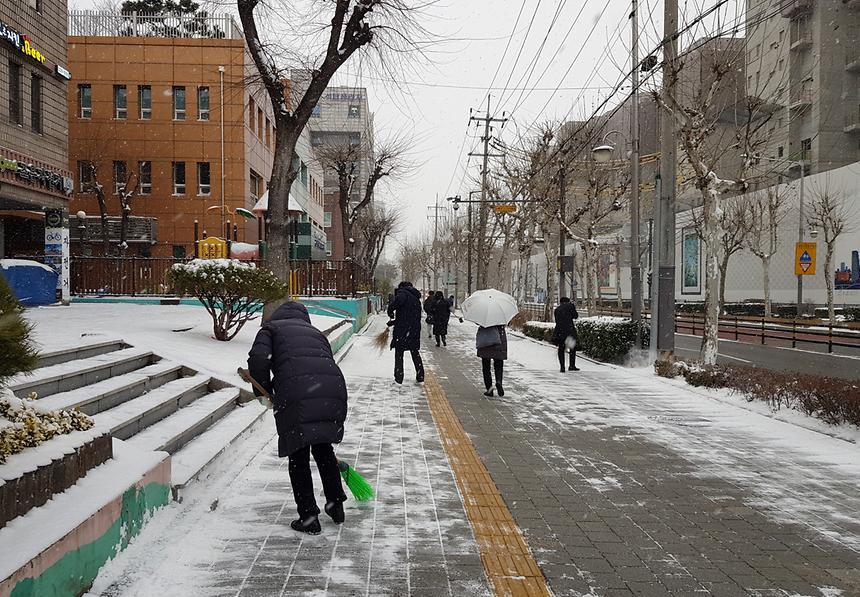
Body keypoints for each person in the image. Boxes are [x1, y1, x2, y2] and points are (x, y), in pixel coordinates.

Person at [247, 301, 348, 535]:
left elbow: (258, 360)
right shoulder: (315, 332)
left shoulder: (270, 329)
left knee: (298, 454)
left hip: (297, 391)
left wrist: (262, 391)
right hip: (331, 389)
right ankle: (336, 505)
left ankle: (309, 516)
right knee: (323, 450)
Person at [387, 281, 425, 384]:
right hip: (414, 329)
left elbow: (395, 304)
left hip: (403, 330)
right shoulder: (416, 298)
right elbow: (409, 315)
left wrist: (390, 310)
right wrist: (395, 322)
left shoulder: (403, 293)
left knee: (399, 353)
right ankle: (420, 375)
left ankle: (399, 378)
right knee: (414, 352)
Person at [476, 324, 507, 397]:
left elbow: (478, 322)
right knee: (499, 364)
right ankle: (499, 381)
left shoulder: (483, 314)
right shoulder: (501, 314)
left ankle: (489, 389)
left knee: (486, 366)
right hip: (499, 339)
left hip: (485, 340)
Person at [553, 297, 579, 372]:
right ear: (568, 302)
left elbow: (557, 320)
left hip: (559, 331)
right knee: (572, 348)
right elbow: (575, 316)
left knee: (561, 348)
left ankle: (562, 367)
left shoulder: (557, 309)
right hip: (569, 331)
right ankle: (571, 365)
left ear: (560, 302)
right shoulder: (570, 306)